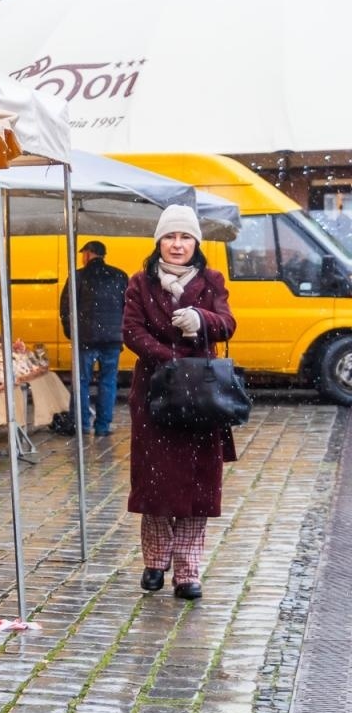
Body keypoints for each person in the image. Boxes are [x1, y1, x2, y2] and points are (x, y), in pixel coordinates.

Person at [122, 204, 237, 600]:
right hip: (155, 393)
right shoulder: (140, 282)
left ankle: (188, 571)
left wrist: (202, 319)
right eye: (170, 237)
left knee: (196, 486)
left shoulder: (212, 279)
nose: (177, 244)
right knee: (156, 483)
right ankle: (155, 561)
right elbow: (132, 332)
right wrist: (171, 361)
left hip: (201, 397)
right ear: (159, 242)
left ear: (196, 243)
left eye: (185, 237)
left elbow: (228, 323)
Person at [59, 239, 128, 436]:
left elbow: (66, 308)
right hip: (113, 340)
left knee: (81, 382)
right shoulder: (120, 275)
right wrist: (121, 332)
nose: (82, 258)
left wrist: (71, 333)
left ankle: (81, 425)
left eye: (83, 254)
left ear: (88, 254)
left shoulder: (78, 276)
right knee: (108, 382)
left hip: (86, 339)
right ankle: (103, 426)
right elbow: (128, 307)